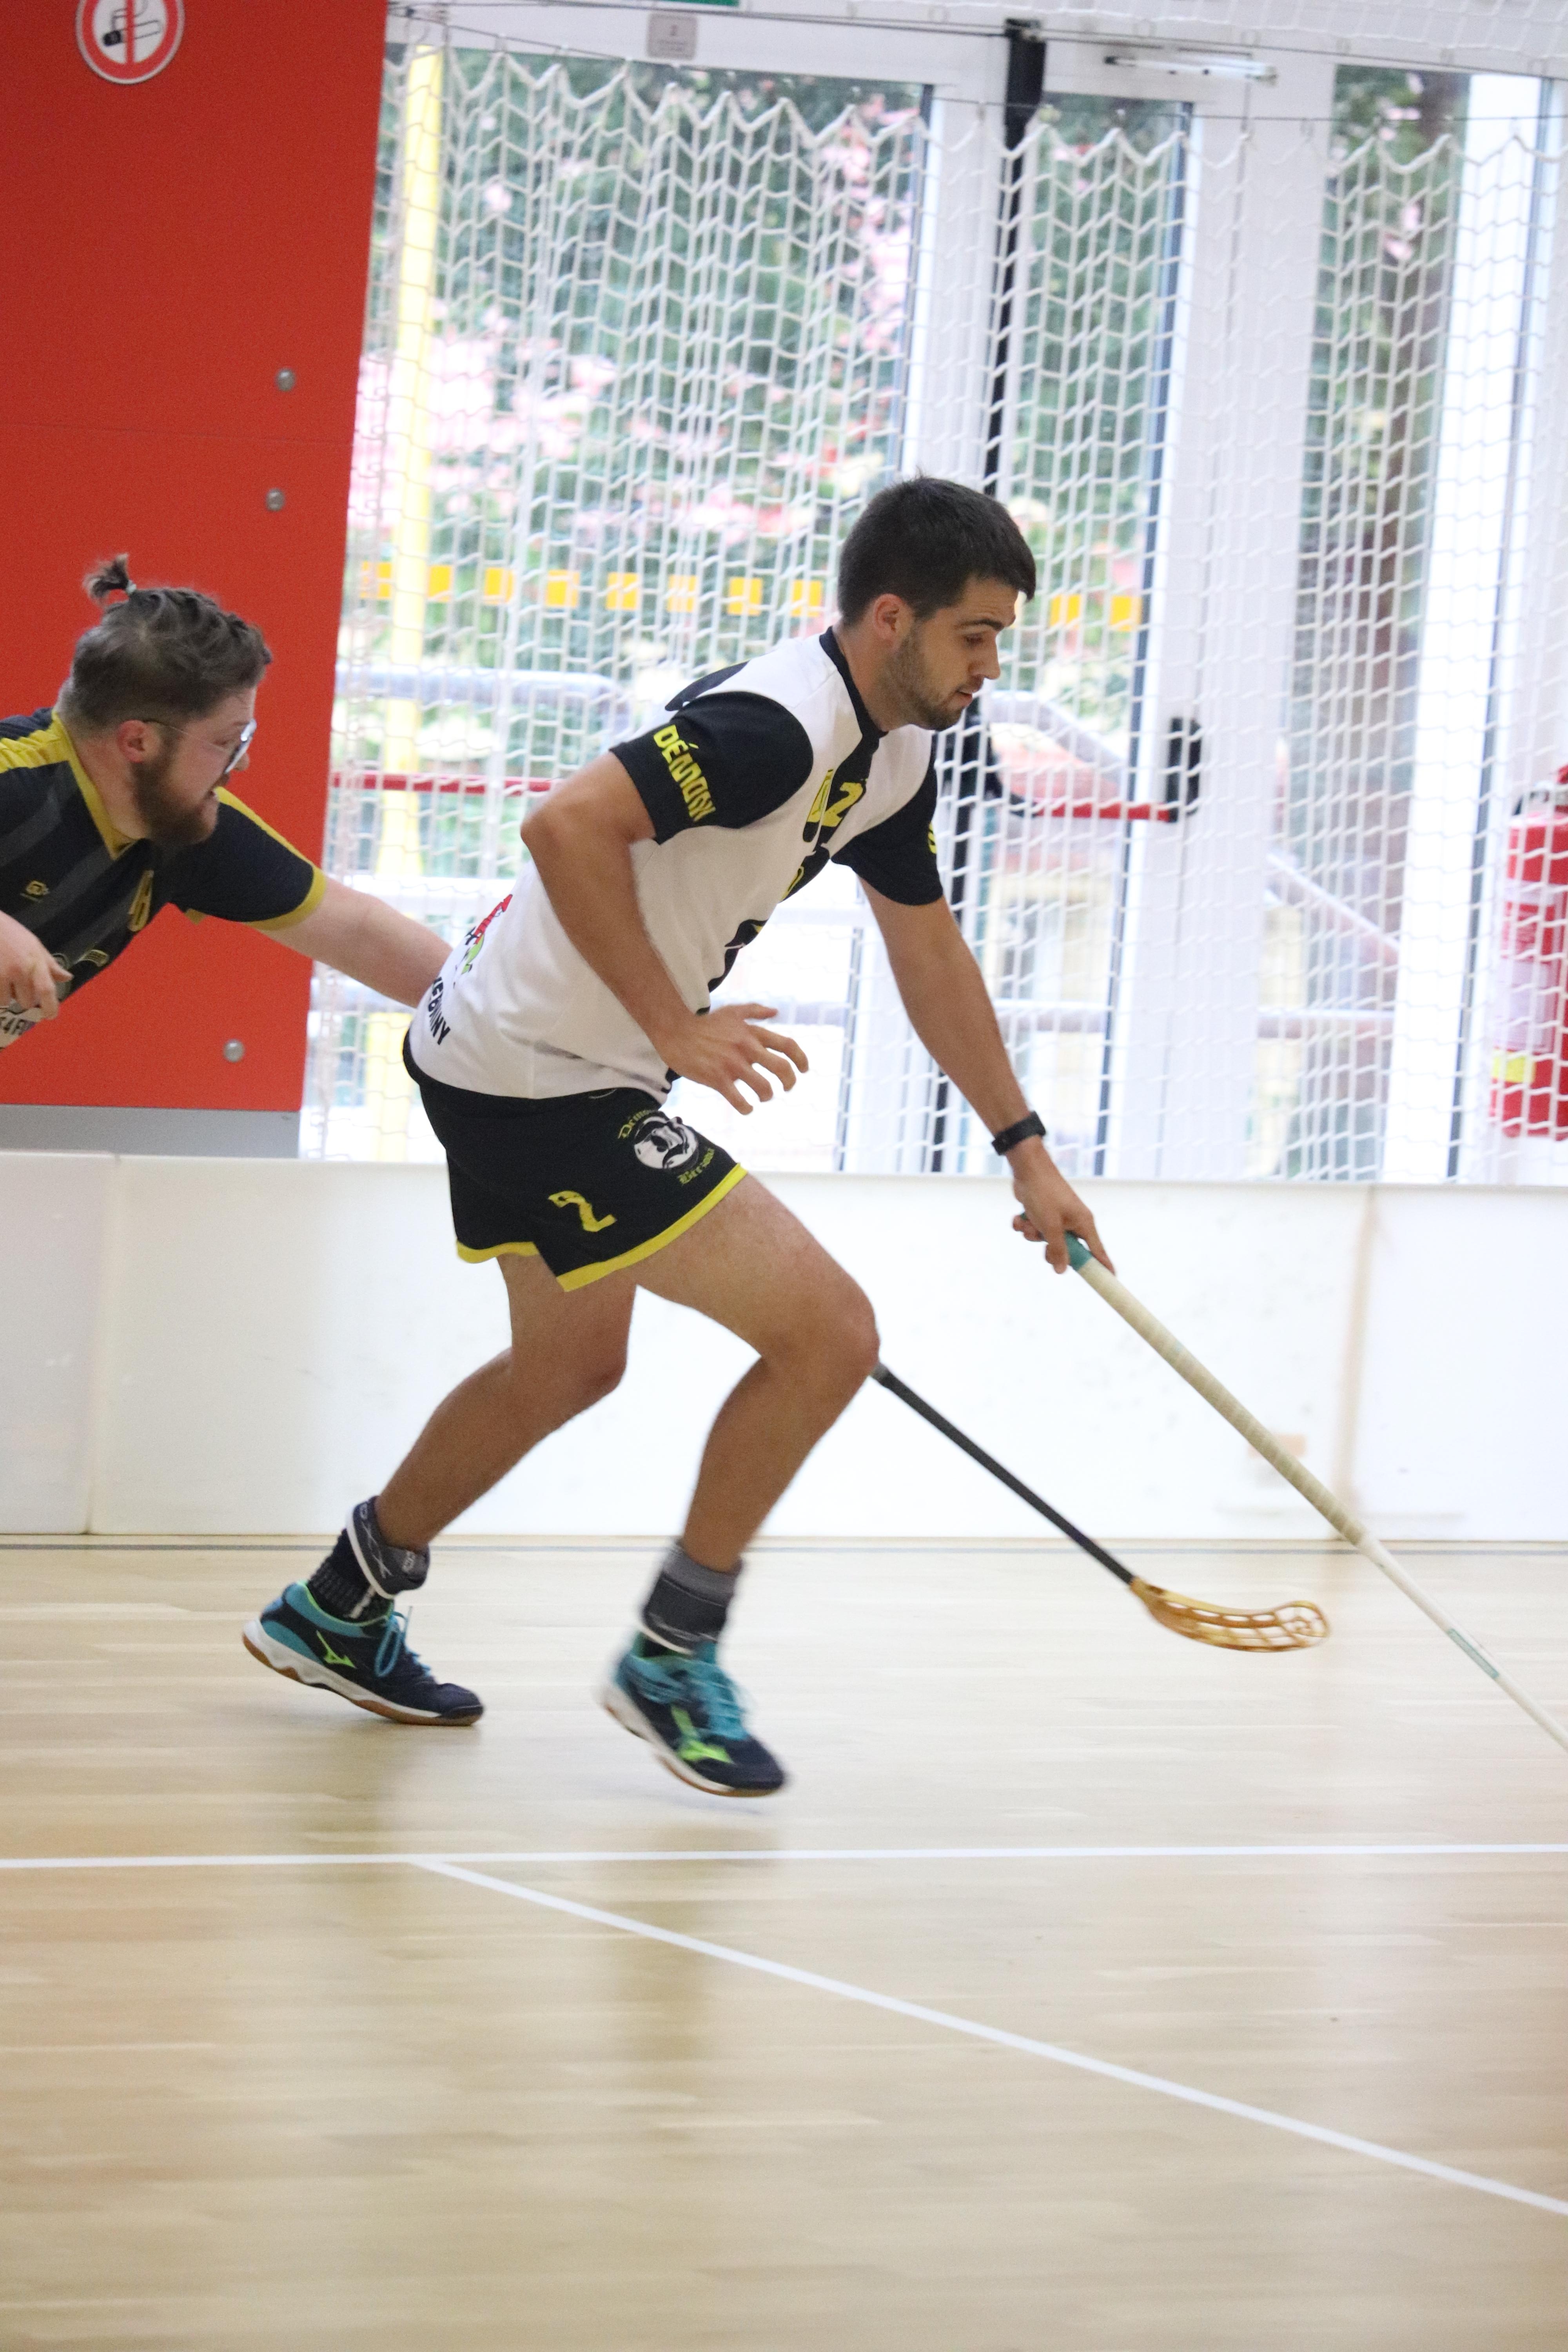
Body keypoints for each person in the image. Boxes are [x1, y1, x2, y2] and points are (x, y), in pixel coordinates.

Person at [243, 478, 1113, 1790]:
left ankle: (341, 1603)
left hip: (506, 1053)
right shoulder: (778, 726)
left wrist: (1026, 1147)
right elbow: (565, 825)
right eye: (975, 635)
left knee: (568, 1367)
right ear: (892, 619)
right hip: (543, 1071)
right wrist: (676, 1026)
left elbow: (929, 952)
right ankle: (671, 1654)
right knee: (831, 1335)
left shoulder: (893, 757)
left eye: (1000, 639)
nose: (991, 666)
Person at [1, 557, 450, 1051]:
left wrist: (488, 1012)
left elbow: (356, 932)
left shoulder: (182, 825)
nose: (244, 761)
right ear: (139, 742)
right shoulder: (17, 779)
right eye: (227, 741)